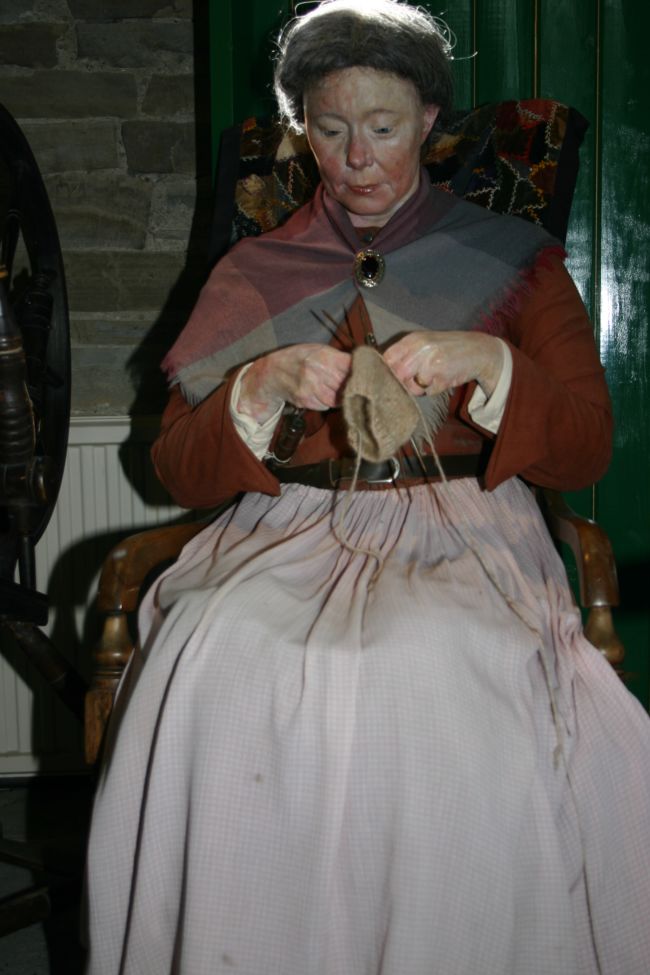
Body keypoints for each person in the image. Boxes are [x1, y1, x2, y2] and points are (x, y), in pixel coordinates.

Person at [84, 2, 650, 973]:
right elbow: (173, 466)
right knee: (227, 655)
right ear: (303, 126)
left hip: (464, 523)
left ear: (429, 120)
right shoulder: (255, 267)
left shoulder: (512, 261)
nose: (355, 158)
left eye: (382, 128)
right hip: (290, 528)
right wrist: (255, 385)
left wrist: (489, 361)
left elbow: (586, 447)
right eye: (330, 128)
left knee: (428, 661)